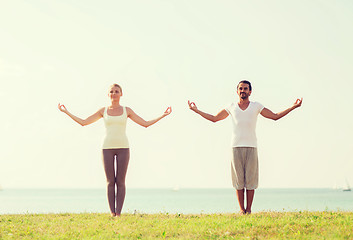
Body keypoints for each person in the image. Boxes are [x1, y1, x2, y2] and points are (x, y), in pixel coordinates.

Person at [188, 80, 302, 214]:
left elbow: (275, 116)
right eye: (241, 89)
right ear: (237, 91)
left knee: (251, 180)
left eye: (245, 89)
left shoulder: (256, 106)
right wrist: (196, 110)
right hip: (235, 147)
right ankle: (242, 210)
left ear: (250, 91)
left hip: (252, 147)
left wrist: (293, 107)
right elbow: (214, 118)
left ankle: (249, 209)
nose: (243, 91)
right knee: (238, 181)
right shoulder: (231, 107)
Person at [58, 84, 172, 217]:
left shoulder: (127, 110)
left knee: (121, 181)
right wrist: (66, 112)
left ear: (121, 94)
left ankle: (118, 213)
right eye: (111, 92)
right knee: (110, 181)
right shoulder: (103, 111)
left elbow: (145, 123)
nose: (114, 94)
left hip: (123, 147)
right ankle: (112, 213)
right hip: (107, 148)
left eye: (116, 91)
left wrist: (163, 115)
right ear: (108, 95)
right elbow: (84, 122)